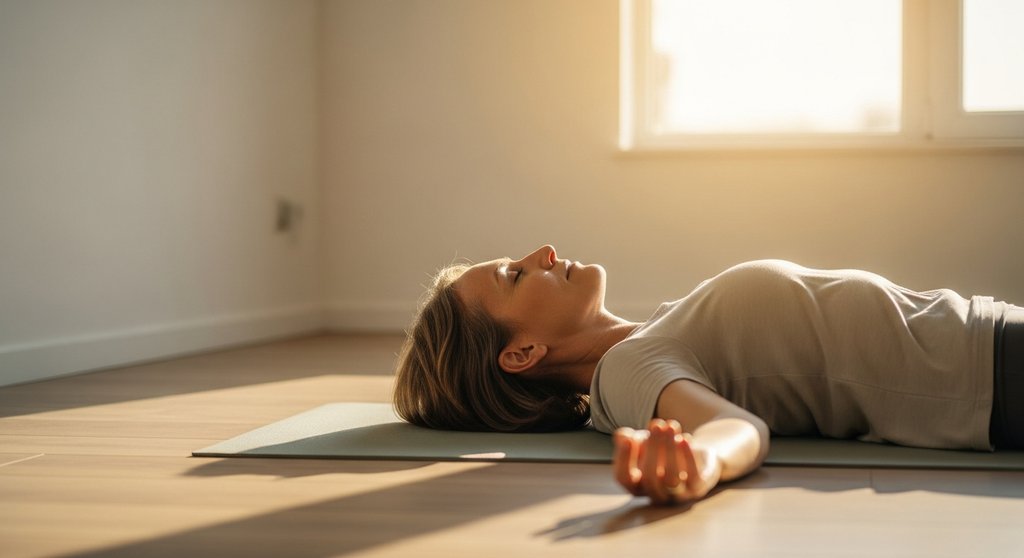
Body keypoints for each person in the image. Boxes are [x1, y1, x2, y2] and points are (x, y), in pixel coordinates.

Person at [394, 245, 1023, 505]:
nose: (542, 255)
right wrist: (703, 463)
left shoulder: (652, 331)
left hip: (987, 334)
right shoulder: (627, 370)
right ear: (521, 353)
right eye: (513, 276)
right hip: (993, 375)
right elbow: (733, 427)